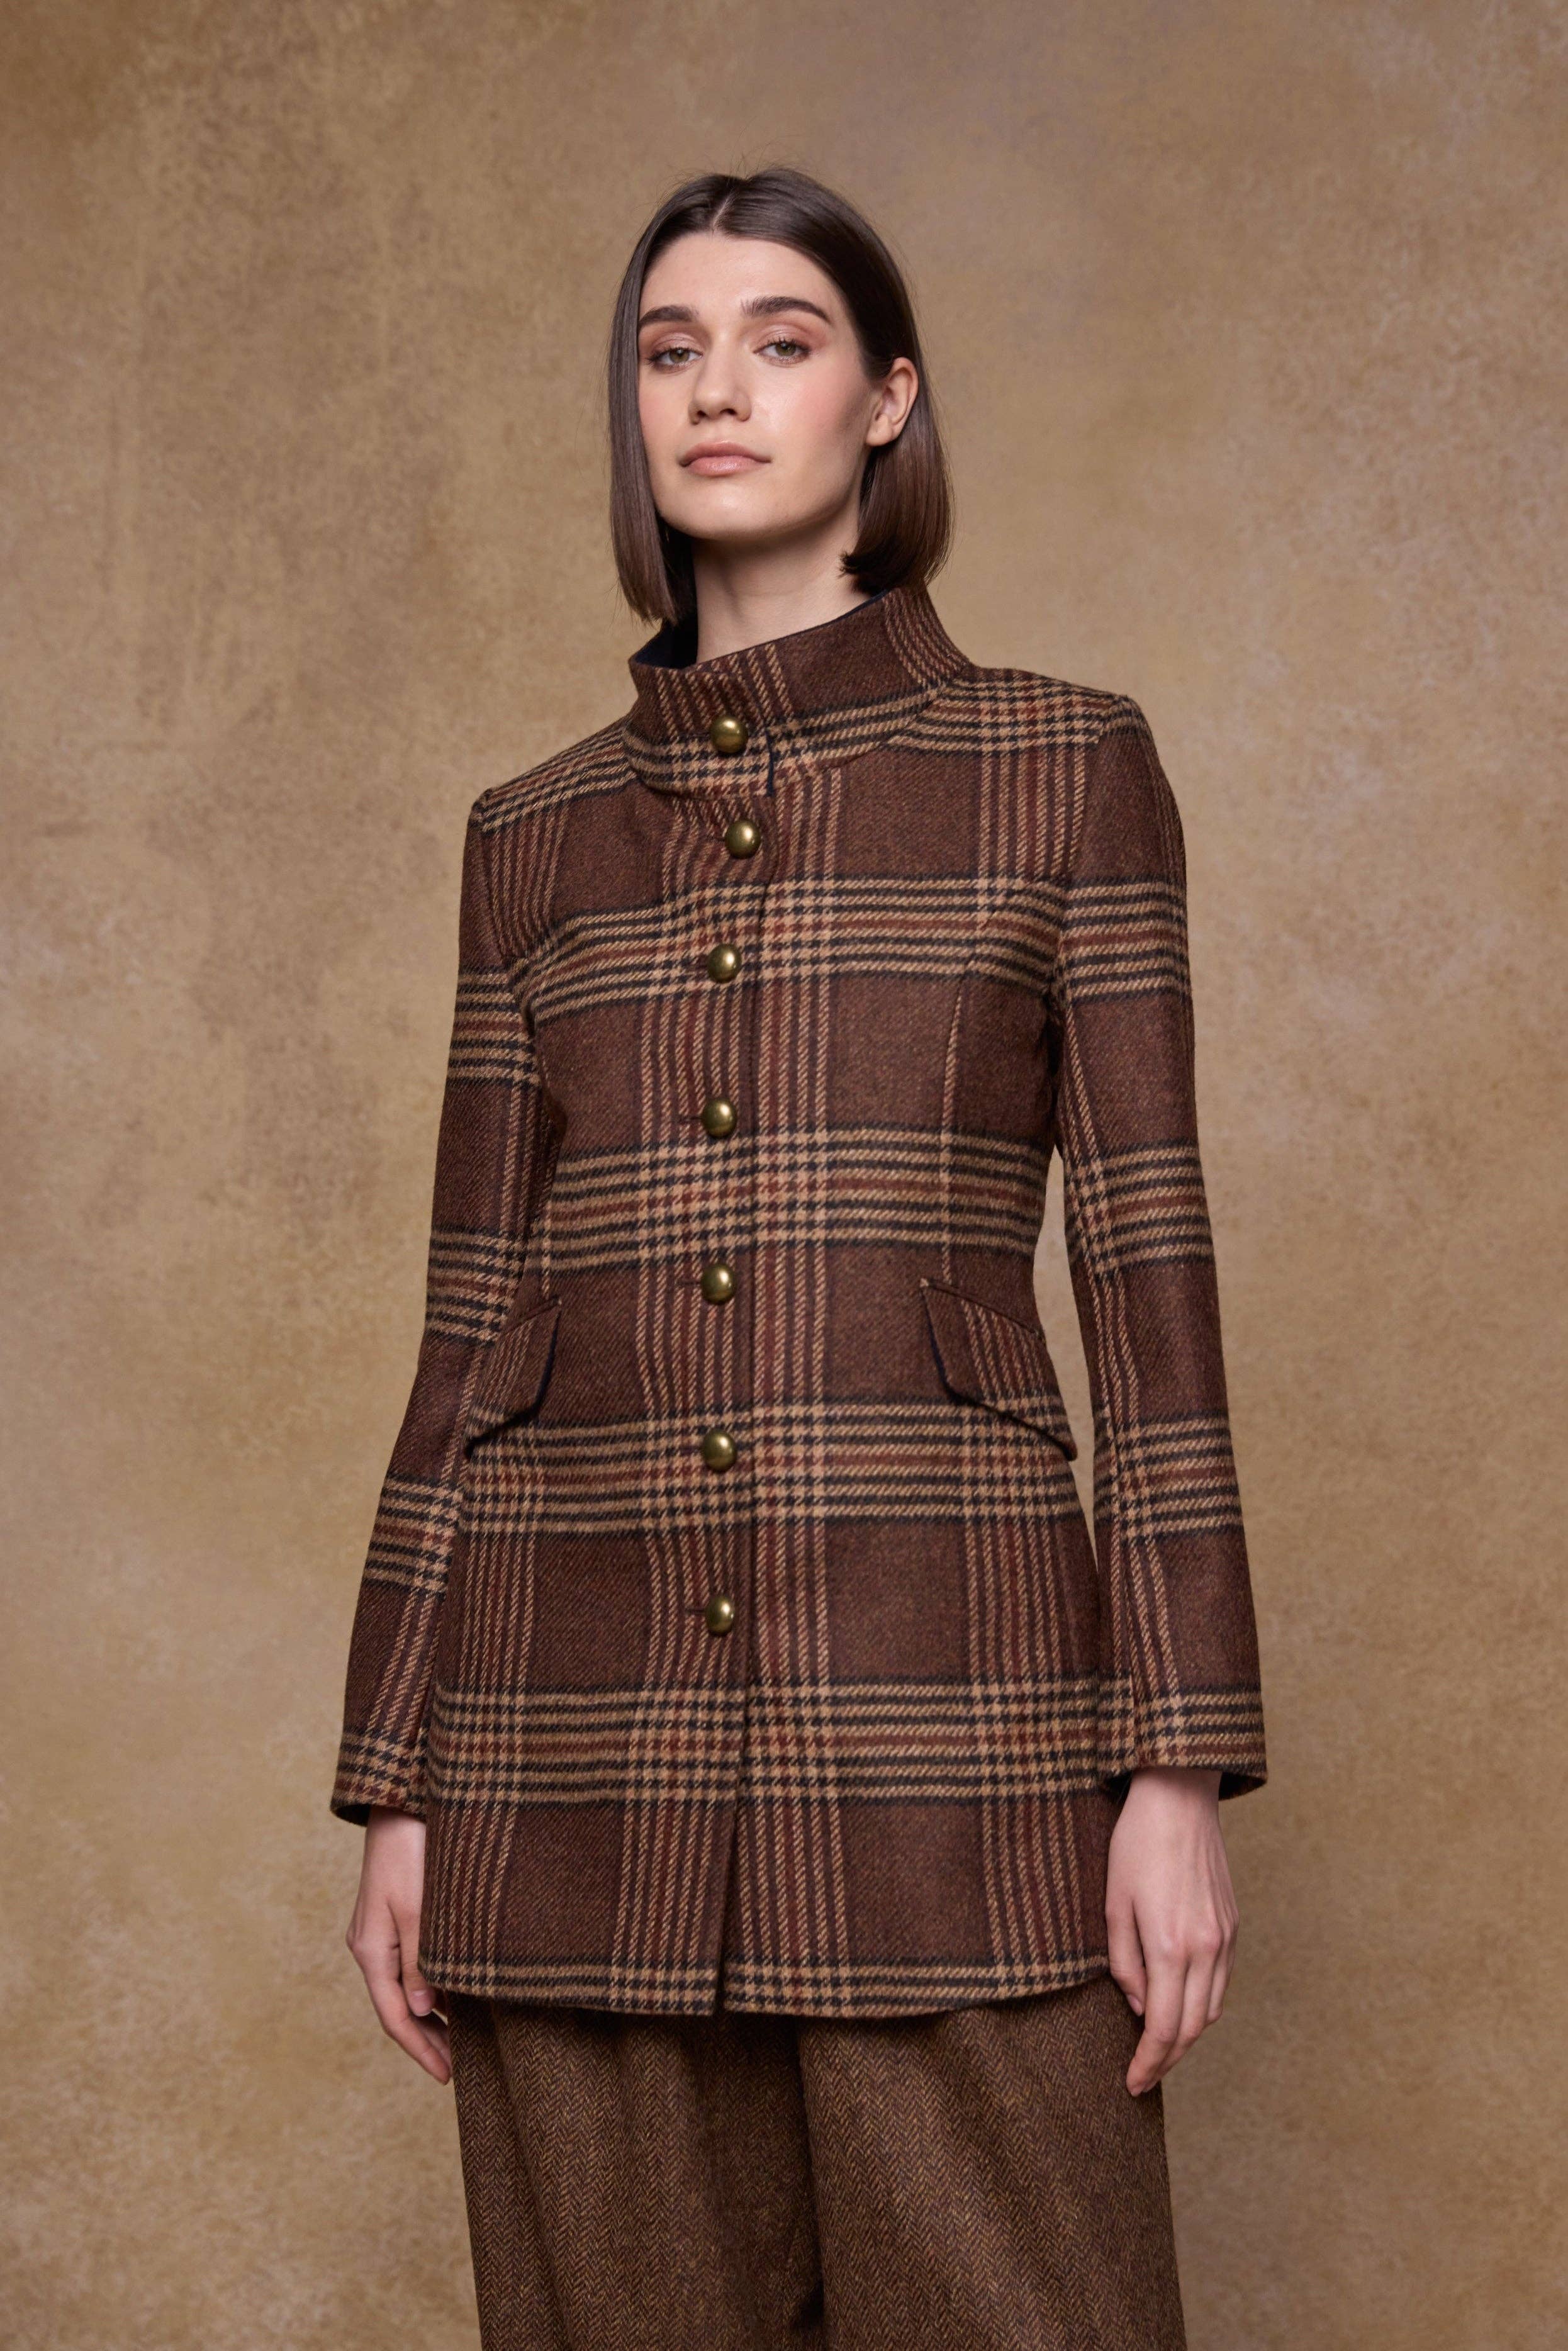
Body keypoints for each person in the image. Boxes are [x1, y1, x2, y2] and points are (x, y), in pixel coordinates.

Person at [332, 164, 1265, 2350]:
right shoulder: (532, 837)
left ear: (885, 402)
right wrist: (398, 1782)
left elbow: (1149, 1286)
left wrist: (1174, 1767)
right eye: (670, 351)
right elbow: (473, 1329)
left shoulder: (1060, 768)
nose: (715, 392)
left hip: (956, 1742)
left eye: (780, 341)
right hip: (564, 1757)